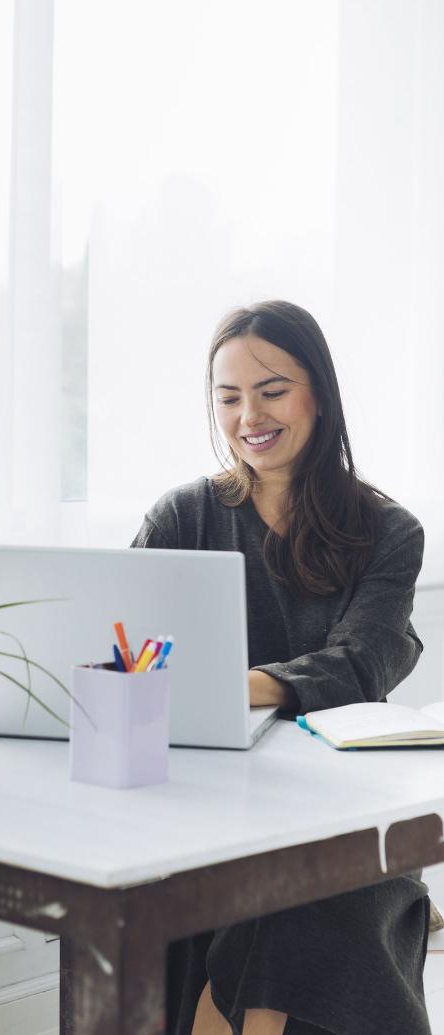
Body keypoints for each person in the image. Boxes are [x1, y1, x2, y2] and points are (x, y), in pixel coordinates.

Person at [130, 300, 430, 1035]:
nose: (248, 415)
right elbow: (126, 650)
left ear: (317, 396)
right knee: (223, 913)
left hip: (345, 814)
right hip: (206, 809)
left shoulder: (388, 532)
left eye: (271, 390)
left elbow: (359, 663)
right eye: (228, 397)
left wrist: (230, 686)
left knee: (295, 915)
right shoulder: (182, 517)